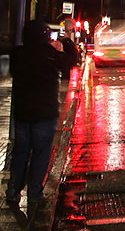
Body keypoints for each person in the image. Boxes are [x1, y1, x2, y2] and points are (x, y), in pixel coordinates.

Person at [5, 20, 78, 220]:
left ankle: (13, 192)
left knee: (20, 153)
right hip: (44, 115)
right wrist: (66, 42)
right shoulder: (48, 54)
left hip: (22, 114)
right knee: (40, 155)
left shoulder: (18, 54)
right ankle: (34, 193)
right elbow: (71, 60)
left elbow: (13, 71)